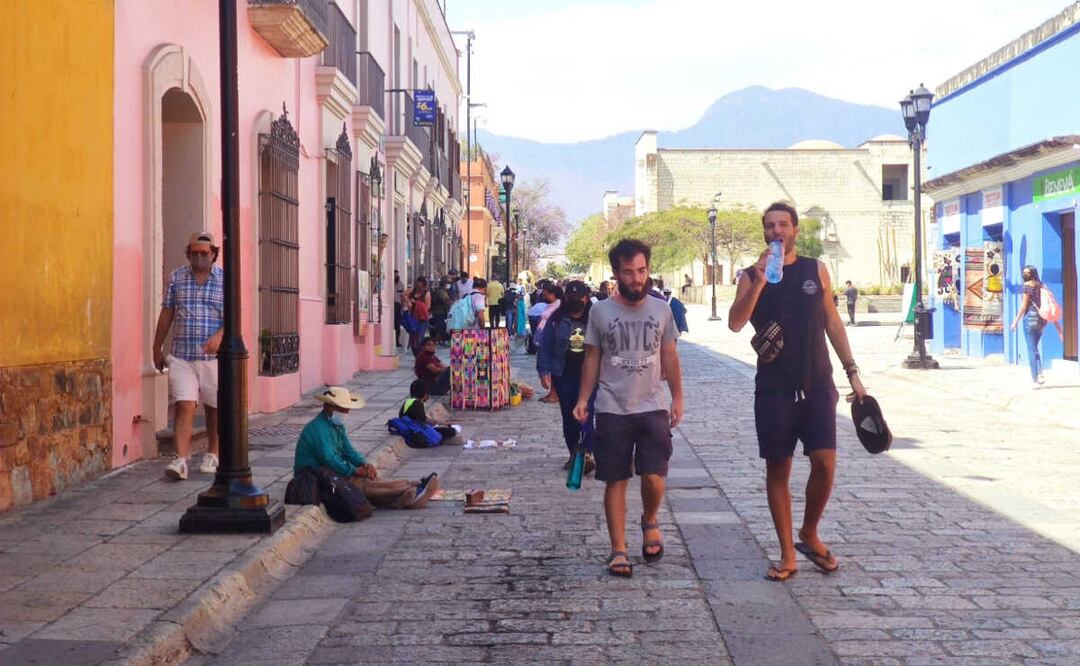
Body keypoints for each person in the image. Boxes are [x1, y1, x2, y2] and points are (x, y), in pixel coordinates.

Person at [727, 201, 866, 582]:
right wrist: (756, 281)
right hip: (774, 386)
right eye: (770, 226)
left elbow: (833, 322)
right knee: (779, 468)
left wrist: (852, 372)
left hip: (817, 382)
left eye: (783, 225)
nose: (777, 232)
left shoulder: (814, 270)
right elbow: (737, 323)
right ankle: (788, 553)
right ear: (764, 231)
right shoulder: (747, 275)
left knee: (825, 462)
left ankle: (809, 531)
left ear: (795, 230)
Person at [573, 239, 683, 578]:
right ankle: (618, 548)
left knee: (654, 475)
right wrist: (582, 399)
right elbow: (592, 356)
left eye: (641, 271)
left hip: (653, 405)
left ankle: (650, 518)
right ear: (616, 273)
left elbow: (669, 355)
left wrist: (677, 396)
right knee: (616, 478)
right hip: (612, 406)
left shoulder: (661, 309)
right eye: (628, 272)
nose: (636, 279)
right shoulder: (600, 311)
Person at [295, 386, 438, 509]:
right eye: (343, 409)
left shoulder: (336, 426)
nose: (346, 413)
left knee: (371, 480)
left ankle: (412, 487)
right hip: (313, 478)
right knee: (363, 484)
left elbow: (348, 450)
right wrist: (355, 470)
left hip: (329, 472)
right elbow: (330, 459)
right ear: (328, 407)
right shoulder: (318, 428)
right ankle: (411, 493)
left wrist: (364, 464)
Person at [153, 231, 223, 480]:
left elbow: (234, 317)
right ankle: (181, 459)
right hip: (182, 355)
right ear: (188, 254)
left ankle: (213, 453)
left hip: (213, 359)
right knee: (184, 405)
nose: (199, 257)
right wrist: (157, 346)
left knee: (215, 407)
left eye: (204, 253)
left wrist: (219, 337)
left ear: (214, 254)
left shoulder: (225, 280)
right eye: (194, 253)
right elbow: (167, 313)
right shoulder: (177, 278)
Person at [538, 280, 597, 475]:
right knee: (568, 415)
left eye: (578, 297)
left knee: (587, 414)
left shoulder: (595, 318)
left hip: (589, 375)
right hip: (564, 374)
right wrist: (543, 371)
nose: (574, 300)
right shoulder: (556, 318)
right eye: (570, 297)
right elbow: (546, 345)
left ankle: (587, 453)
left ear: (585, 298)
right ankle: (574, 452)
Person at [1010, 265, 1064, 385]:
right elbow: (1048, 305)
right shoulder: (1042, 286)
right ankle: (1040, 374)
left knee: (1031, 349)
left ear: (1031, 274)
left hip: (1030, 318)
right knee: (1035, 348)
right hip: (1042, 320)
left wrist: (1015, 320)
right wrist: (1058, 327)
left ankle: (1036, 377)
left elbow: (1024, 306)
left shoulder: (1027, 287)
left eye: (1026, 273)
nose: (1024, 274)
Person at [405, 277, 431, 355]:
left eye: (420, 285)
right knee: (413, 338)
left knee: (419, 338)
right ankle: (417, 355)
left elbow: (428, 306)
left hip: (422, 318)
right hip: (413, 317)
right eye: (417, 285)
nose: (419, 287)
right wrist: (408, 301)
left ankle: (421, 355)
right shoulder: (413, 292)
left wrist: (416, 303)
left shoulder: (426, 293)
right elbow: (403, 295)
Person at [429, 278, 451, 344]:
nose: (449, 285)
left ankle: (439, 340)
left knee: (439, 326)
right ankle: (439, 340)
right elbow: (446, 300)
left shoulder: (440, 290)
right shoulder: (442, 291)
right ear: (444, 283)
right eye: (448, 283)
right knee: (441, 327)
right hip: (440, 312)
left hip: (437, 312)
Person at [394, 270, 406, 347]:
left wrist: (403, 306)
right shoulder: (388, 283)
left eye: (397, 275)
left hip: (398, 306)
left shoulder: (400, 285)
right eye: (395, 275)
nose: (396, 276)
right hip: (392, 305)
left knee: (397, 325)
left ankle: (397, 341)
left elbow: (402, 296)